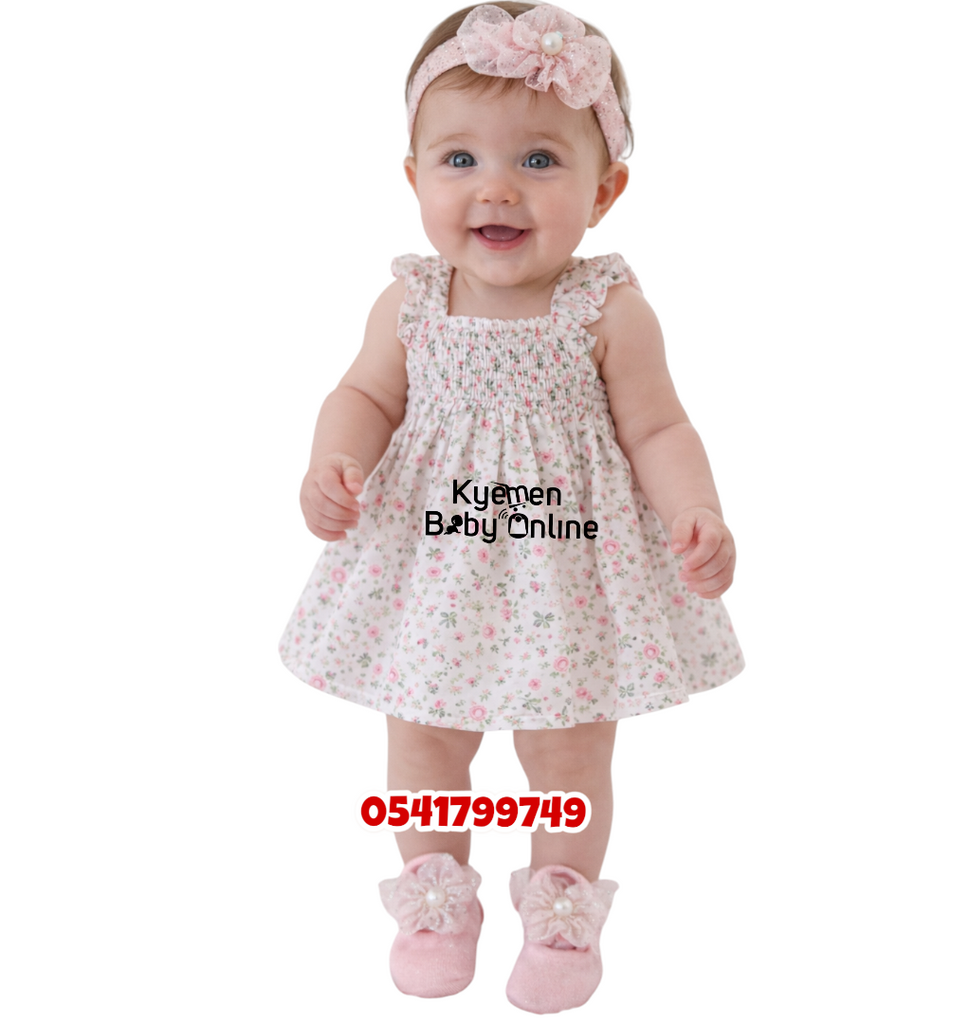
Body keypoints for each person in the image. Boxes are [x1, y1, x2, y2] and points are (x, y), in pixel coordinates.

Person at [279, 2, 744, 1012]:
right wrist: (333, 462)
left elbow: (659, 429)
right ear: (414, 178)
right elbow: (363, 395)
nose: (495, 187)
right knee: (423, 740)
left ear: (604, 190)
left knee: (568, 749)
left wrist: (696, 512)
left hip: (564, 577)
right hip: (429, 568)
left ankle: (562, 907)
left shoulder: (608, 310)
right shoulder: (410, 304)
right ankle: (435, 898)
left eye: (539, 160)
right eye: (460, 160)